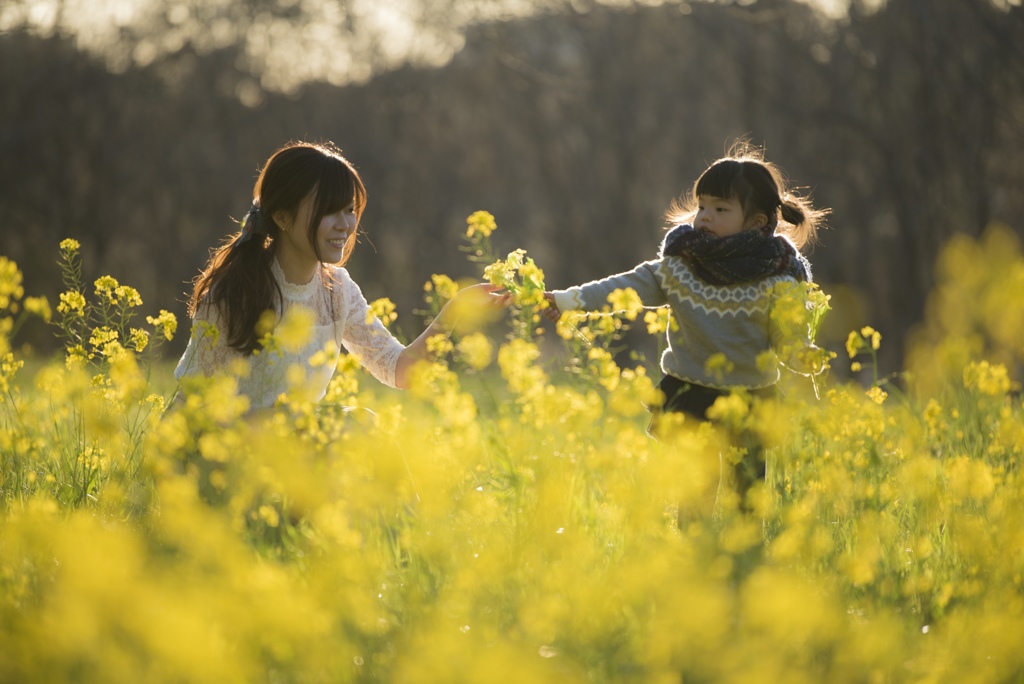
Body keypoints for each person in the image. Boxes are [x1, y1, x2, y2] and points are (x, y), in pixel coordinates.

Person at [542, 144, 829, 510]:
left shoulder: (778, 280)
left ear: (757, 222)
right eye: (702, 206)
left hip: (751, 401)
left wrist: (803, 356)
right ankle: (696, 561)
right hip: (690, 396)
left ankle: (745, 564)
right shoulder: (681, 267)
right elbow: (622, 287)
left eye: (721, 209)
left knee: (748, 503)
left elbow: (786, 340)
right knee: (694, 501)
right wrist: (565, 302)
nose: (705, 217)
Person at [174, 141, 502, 413]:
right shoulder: (234, 291)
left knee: (360, 424)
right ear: (283, 217)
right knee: (351, 422)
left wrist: (457, 311)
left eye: (349, 210)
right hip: (230, 460)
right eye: (329, 210)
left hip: (294, 458)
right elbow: (189, 406)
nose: (345, 224)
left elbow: (399, 368)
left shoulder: (336, 290)